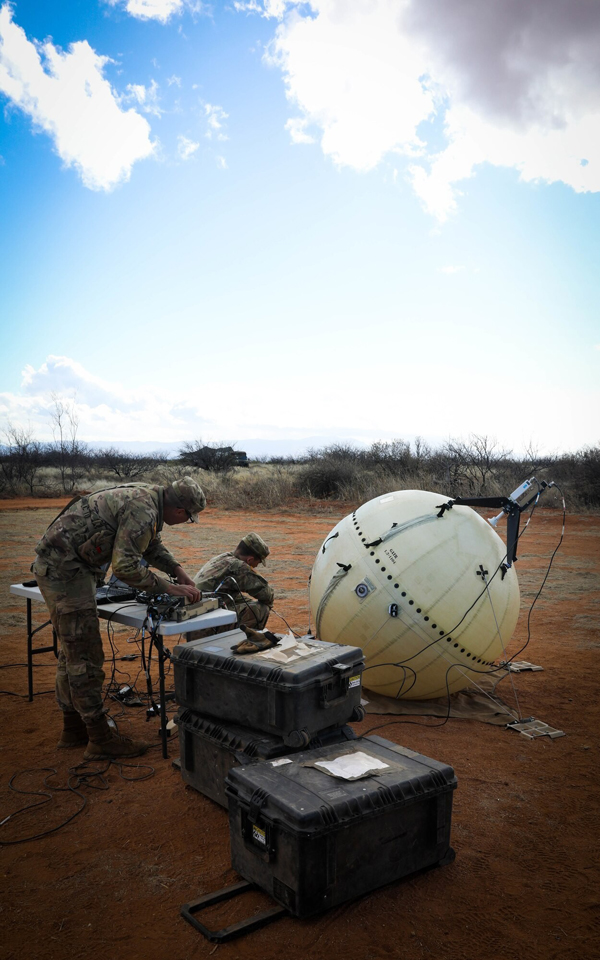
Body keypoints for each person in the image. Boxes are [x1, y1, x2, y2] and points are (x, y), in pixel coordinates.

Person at [31, 477, 205, 760]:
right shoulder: (144, 508)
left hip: (65, 564)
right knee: (84, 654)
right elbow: (124, 566)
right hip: (65, 570)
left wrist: (177, 570)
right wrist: (170, 587)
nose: (186, 522)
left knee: (72, 652)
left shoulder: (149, 497)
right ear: (179, 511)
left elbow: (149, 545)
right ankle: (99, 739)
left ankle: (73, 728)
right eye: (188, 519)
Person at [193, 533, 273, 632]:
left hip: (195, 615)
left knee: (246, 601)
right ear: (250, 559)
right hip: (204, 623)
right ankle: (242, 640)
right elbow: (267, 594)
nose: (256, 566)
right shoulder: (239, 567)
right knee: (261, 610)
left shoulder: (223, 557)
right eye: (259, 562)